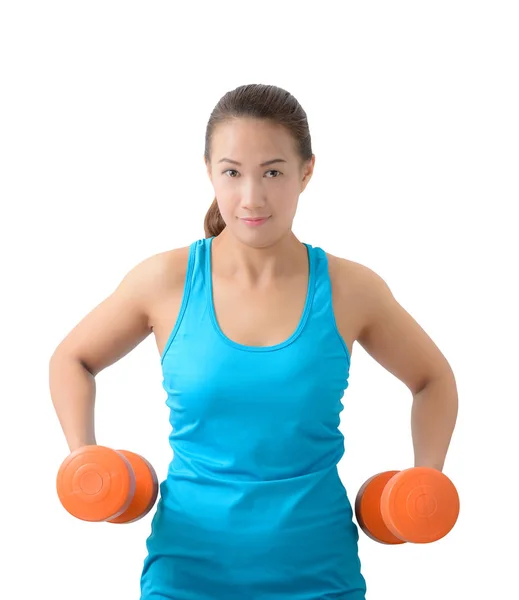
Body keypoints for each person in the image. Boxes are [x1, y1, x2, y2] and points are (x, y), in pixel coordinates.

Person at [49, 83, 458, 599]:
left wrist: (427, 478)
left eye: (272, 172)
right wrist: (83, 458)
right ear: (209, 171)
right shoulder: (164, 281)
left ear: (306, 171)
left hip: (319, 576)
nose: (251, 197)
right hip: (186, 575)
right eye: (232, 172)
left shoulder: (353, 289)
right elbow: (73, 358)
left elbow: (432, 379)